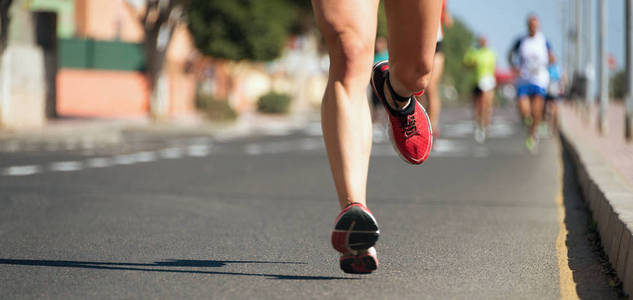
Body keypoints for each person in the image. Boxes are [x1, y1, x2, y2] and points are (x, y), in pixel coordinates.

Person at [311, 0, 440, 274]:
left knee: (416, 73)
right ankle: (354, 213)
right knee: (349, 53)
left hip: (408, 79)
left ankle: (397, 94)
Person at [507, 14, 555, 152]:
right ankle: (527, 120)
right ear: (527, 26)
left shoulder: (543, 41)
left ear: (538, 26)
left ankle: (533, 135)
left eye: (535, 25)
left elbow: (552, 57)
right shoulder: (521, 40)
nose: (533, 27)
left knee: (536, 109)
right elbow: (510, 54)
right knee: (524, 110)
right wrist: (514, 67)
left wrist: (544, 65)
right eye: (531, 25)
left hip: (539, 79)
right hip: (524, 78)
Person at [415, 0, 452, 139]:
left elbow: (447, 19)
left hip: (436, 43)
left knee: (430, 86)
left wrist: (445, 16)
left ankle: (432, 127)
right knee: (417, 86)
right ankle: (418, 123)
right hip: (416, 41)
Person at [464, 36, 496, 143]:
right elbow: (465, 64)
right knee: (477, 106)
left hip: (487, 82)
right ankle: (478, 123)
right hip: (476, 82)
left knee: (485, 104)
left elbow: (493, 68)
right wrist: (471, 64)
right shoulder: (473, 51)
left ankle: (483, 125)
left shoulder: (490, 53)